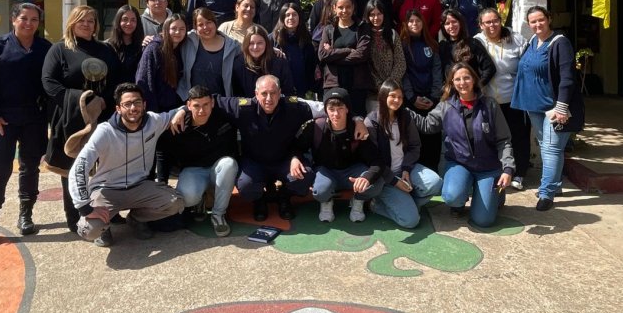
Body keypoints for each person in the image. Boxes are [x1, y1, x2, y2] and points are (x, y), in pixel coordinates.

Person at [171, 75, 320, 221]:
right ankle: (259, 200)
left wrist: (296, 156)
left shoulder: (293, 106)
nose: (269, 98)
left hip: (284, 160)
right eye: (264, 94)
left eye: (273, 93)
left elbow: (323, 108)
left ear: (280, 93)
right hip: (255, 163)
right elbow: (211, 100)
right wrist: (184, 110)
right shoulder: (243, 108)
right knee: (246, 185)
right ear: (256, 94)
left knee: (304, 177)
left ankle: (284, 197)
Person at [0, 3, 51, 252]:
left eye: (34, 19)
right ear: (14, 20)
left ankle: (26, 215)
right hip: (2, 121)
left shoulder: (45, 49)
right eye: (24, 18)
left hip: (33, 120)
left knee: (30, 168)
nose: (29, 23)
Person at [68, 83, 185, 247]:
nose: (133, 108)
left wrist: (183, 111)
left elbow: (183, 108)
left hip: (139, 186)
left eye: (137, 102)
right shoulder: (105, 131)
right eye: (127, 104)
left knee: (175, 203)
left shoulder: (154, 121)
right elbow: (79, 167)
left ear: (144, 105)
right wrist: (85, 208)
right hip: (107, 189)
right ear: (118, 108)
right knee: (89, 230)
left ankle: (136, 218)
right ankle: (104, 228)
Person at [42, 5, 122, 232]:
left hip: (104, 115)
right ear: (72, 23)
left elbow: (117, 79)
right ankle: (74, 214)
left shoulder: (105, 50)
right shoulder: (59, 50)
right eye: (81, 21)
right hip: (71, 117)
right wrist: (82, 101)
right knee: (75, 166)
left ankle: (110, 210)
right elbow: (49, 83)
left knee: (106, 166)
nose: (87, 25)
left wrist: (104, 101)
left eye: (91, 21)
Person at [410, 63, 514, 228]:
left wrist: (508, 168)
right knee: (451, 195)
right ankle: (460, 200)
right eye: (457, 79)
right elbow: (426, 125)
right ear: (452, 83)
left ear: (474, 79)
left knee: (483, 221)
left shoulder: (490, 104)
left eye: (466, 77)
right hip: (460, 163)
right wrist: (404, 111)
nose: (462, 82)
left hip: (488, 167)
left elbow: (504, 140)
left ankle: (496, 196)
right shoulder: (446, 106)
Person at [511, 5, 585, 211]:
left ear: (549, 19)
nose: (537, 24)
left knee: (552, 148)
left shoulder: (560, 43)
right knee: (547, 146)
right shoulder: (533, 42)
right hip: (535, 105)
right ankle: (556, 185)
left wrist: (561, 107)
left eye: (540, 20)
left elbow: (568, 79)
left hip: (554, 107)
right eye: (533, 21)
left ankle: (546, 193)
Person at [159, 85, 239, 237]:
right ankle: (199, 201)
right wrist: (162, 182)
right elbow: (163, 152)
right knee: (187, 199)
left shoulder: (223, 114)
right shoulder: (178, 124)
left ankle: (218, 214)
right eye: (196, 106)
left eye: (206, 105)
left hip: (218, 168)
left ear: (212, 103)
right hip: (193, 170)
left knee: (229, 164)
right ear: (188, 105)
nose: (202, 111)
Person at [365, 81, 443, 229]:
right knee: (410, 221)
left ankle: (408, 203)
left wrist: (406, 169)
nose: (397, 100)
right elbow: (374, 160)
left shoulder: (405, 116)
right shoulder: (372, 121)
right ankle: (376, 205)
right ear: (383, 97)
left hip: (406, 170)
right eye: (392, 96)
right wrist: (394, 181)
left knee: (436, 183)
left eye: (400, 97)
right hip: (385, 177)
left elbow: (414, 146)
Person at [306, 88, 385, 223]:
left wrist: (367, 177)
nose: (336, 114)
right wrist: (295, 159)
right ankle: (326, 201)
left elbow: (377, 160)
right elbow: (297, 148)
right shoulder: (317, 127)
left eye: (340, 108)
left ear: (347, 109)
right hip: (326, 171)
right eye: (331, 109)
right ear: (326, 110)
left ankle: (358, 200)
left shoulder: (358, 128)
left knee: (376, 183)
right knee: (320, 190)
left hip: (351, 172)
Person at [475, 7, 531, 190]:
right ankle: (498, 171)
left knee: (518, 136)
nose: (492, 25)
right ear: (481, 25)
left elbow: (528, 64)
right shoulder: (477, 41)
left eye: (495, 21)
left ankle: (519, 173)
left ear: (501, 20)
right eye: (487, 22)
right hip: (488, 100)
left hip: (514, 99)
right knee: (492, 138)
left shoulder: (516, 40)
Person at [400, 8, 444, 170]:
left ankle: (433, 171)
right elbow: (403, 73)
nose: (414, 24)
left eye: (417, 21)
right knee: (414, 137)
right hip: (412, 101)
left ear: (422, 23)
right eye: (411, 21)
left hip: (431, 100)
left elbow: (437, 71)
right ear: (406, 24)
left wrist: (433, 97)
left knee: (432, 138)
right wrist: (411, 98)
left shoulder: (432, 44)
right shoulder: (403, 46)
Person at [318, 0, 372, 112]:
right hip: (333, 83)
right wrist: (348, 50)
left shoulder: (362, 27)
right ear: (334, 9)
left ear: (353, 8)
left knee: (357, 119)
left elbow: (361, 55)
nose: (344, 10)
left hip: (356, 84)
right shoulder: (329, 29)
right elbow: (322, 55)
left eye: (348, 7)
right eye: (340, 7)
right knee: (334, 119)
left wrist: (333, 55)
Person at [178, 7, 240, 99]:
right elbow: (171, 39)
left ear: (215, 22)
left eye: (208, 22)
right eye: (200, 24)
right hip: (194, 104)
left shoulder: (232, 47)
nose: (205, 27)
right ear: (195, 27)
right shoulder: (188, 41)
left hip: (221, 103)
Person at [136, 14, 188, 113]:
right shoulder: (154, 48)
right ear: (166, 29)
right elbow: (144, 81)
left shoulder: (181, 49)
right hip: (155, 111)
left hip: (173, 109)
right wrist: (151, 112)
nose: (178, 32)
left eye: (182, 29)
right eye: (174, 28)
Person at [270, 2, 318, 97]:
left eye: (294, 15)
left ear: (299, 17)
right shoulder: (272, 38)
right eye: (287, 15)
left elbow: (311, 64)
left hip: (301, 89)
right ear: (282, 18)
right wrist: (271, 50)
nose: (291, 18)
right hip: (277, 90)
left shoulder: (306, 39)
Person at [233, 24, 295, 97]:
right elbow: (237, 95)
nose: (255, 47)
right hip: (249, 106)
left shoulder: (279, 62)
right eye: (251, 43)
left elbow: (288, 91)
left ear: (266, 43)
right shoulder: (238, 63)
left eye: (260, 43)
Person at [364, 0, 406, 108]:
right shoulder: (364, 36)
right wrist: (379, 86)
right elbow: (366, 65)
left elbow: (400, 62)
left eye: (379, 14)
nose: (376, 18)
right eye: (372, 15)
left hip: (394, 92)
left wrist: (389, 86)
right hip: (373, 93)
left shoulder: (392, 34)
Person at [439, 8, 496, 87]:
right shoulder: (442, 46)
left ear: (460, 23)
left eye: (454, 22)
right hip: (451, 96)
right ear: (443, 27)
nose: (451, 26)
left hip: (471, 95)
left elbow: (490, 68)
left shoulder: (472, 43)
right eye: (447, 23)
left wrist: (476, 87)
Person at [106, 4, 145, 83]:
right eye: (125, 19)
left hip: (136, 93)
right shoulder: (107, 47)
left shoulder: (143, 47)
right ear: (118, 21)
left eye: (133, 20)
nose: (128, 23)